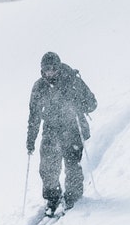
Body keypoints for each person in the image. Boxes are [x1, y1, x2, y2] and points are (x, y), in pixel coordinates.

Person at [25, 51, 97, 214]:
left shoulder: (72, 80)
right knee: (47, 166)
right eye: (46, 69)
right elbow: (34, 115)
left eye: (52, 68)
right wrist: (31, 140)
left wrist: (79, 104)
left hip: (72, 127)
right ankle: (52, 197)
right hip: (50, 129)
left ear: (58, 67)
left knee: (71, 164)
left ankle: (73, 196)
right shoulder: (39, 87)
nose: (49, 72)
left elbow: (92, 103)